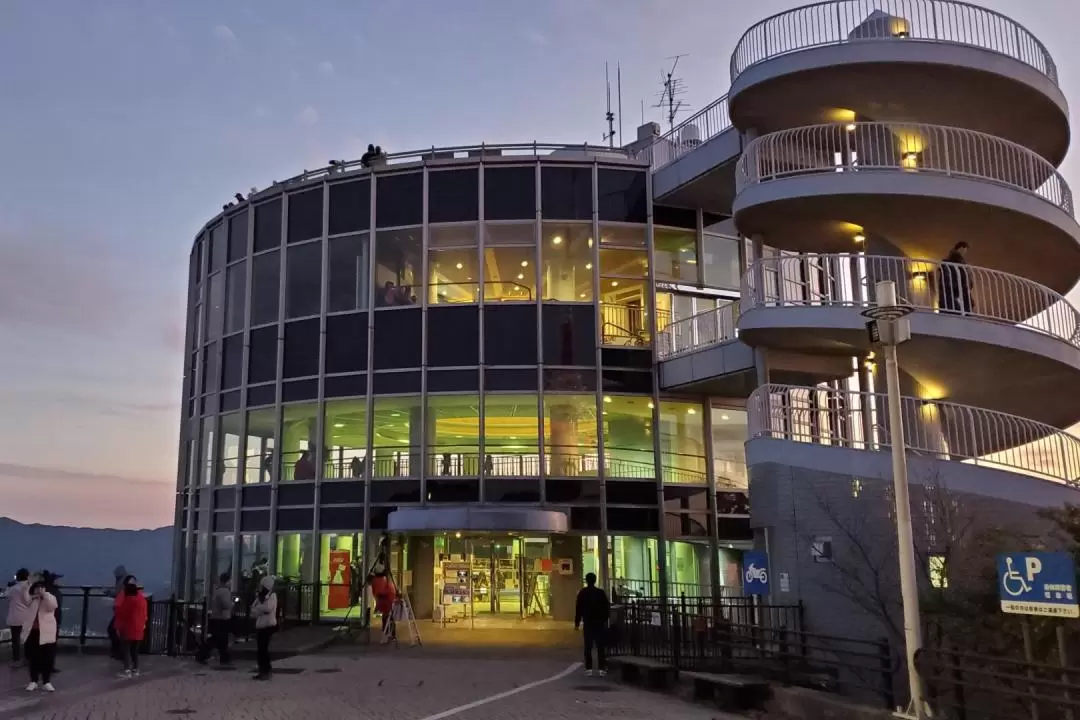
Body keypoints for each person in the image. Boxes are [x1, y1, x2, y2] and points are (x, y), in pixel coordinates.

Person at [23, 579, 58, 692]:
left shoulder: (50, 598)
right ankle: (33, 681)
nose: (39, 590)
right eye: (37, 587)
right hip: (33, 632)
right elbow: (25, 600)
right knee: (33, 658)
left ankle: (46, 681)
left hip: (47, 633)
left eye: (41, 587)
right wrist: (29, 588)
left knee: (47, 658)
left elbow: (52, 606)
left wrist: (44, 594)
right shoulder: (32, 600)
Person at [575, 572, 610, 677]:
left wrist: (577, 622)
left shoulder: (582, 593)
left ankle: (589, 668)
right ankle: (601, 668)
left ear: (586, 580)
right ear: (595, 580)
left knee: (588, 646)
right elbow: (606, 607)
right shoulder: (600, 593)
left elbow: (578, 609)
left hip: (588, 622)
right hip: (599, 623)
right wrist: (605, 619)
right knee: (600, 646)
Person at [113, 577, 147, 678]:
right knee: (135, 650)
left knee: (126, 649)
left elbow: (120, 614)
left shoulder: (126, 601)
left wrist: (117, 627)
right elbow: (144, 615)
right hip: (139, 629)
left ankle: (127, 670)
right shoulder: (142, 600)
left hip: (127, 629)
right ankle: (136, 669)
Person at [197, 573, 233, 666]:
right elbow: (226, 604)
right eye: (230, 580)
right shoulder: (225, 591)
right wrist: (233, 603)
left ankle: (223, 657)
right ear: (227, 581)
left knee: (219, 639)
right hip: (222, 618)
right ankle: (203, 654)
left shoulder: (218, 591)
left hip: (216, 617)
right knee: (219, 639)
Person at [250, 576, 278, 680]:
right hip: (261, 625)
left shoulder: (272, 596)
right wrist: (259, 609)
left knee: (263, 649)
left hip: (268, 625)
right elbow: (253, 609)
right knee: (260, 650)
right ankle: (263, 670)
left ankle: (266, 670)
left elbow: (268, 608)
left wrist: (258, 609)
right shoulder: (260, 597)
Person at [6, 569, 31, 667]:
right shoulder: (29, 587)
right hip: (27, 617)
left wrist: (8, 587)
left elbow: (7, 597)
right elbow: (29, 601)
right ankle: (28, 658)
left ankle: (16, 660)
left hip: (15, 617)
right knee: (27, 639)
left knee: (15, 639)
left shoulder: (13, 588)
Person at [938, 241, 972, 313]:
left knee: (964, 309)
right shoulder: (948, 263)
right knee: (952, 309)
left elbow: (968, 282)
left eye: (965, 250)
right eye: (963, 249)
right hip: (951, 293)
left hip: (960, 293)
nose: (964, 252)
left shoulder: (963, 266)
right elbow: (946, 280)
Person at [107, 565, 129, 662]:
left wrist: (108, 593)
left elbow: (118, 594)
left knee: (112, 630)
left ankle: (119, 652)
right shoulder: (126, 581)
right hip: (121, 611)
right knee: (116, 631)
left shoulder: (121, 582)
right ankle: (118, 652)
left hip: (121, 611)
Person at [369, 570, 397, 643]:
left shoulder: (378, 581)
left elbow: (377, 593)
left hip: (386, 599)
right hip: (387, 599)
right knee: (388, 618)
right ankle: (390, 634)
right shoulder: (384, 580)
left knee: (386, 618)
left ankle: (387, 634)